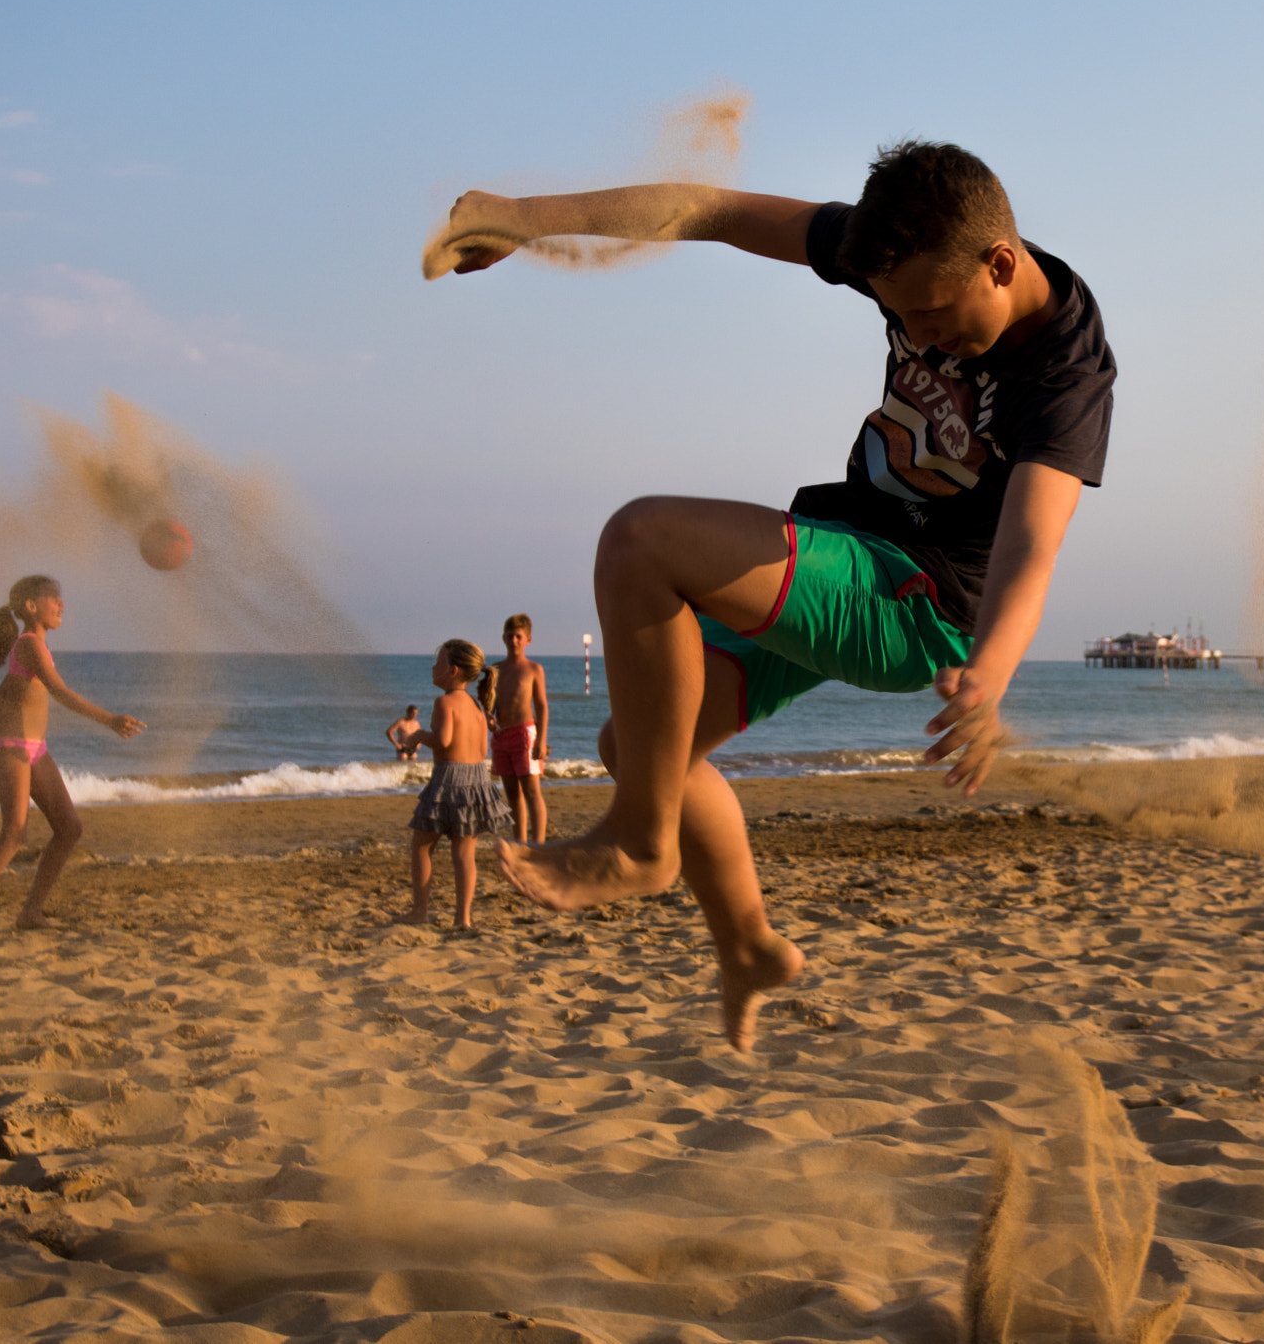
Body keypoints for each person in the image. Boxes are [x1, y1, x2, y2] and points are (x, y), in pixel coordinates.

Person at [428, 140, 1114, 1049]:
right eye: (904, 313)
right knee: (639, 742)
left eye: (936, 315)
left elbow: (1032, 543)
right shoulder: (900, 253)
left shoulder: (1063, 371)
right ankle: (747, 943)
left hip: (923, 604)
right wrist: (526, 219)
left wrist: (990, 676)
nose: (924, 332)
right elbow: (708, 211)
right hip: (855, 549)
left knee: (640, 541)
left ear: (1000, 264)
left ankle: (638, 846)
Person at [0, 575, 145, 940]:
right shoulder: (29, 645)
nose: (61, 604)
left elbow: (5, 694)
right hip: (12, 747)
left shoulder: (34, 646)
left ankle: (31, 911)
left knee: (69, 828)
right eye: (53, 597)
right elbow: (60, 692)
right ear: (30, 606)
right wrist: (110, 720)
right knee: (14, 834)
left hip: (33, 749)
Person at [396, 639, 512, 931]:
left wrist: (420, 735)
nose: (433, 667)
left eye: (438, 662)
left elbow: (444, 740)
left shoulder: (443, 702)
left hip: (448, 779)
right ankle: (463, 918)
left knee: (421, 846)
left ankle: (420, 911)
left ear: (453, 671)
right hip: (476, 780)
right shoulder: (476, 705)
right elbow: (482, 750)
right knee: (464, 853)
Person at [490, 612, 550, 843]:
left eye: (518, 636)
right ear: (503, 638)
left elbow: (542, 706)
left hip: (525, 735)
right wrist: (489, 719)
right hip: (501, 735)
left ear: (528, 639)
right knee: (512, 795)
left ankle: (539, 843)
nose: (514, 641)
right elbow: (490, 704)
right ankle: (520, 842)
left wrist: (541, 740)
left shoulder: (533, 669)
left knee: (532, 792)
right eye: (510, 636)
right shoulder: (495, 669)